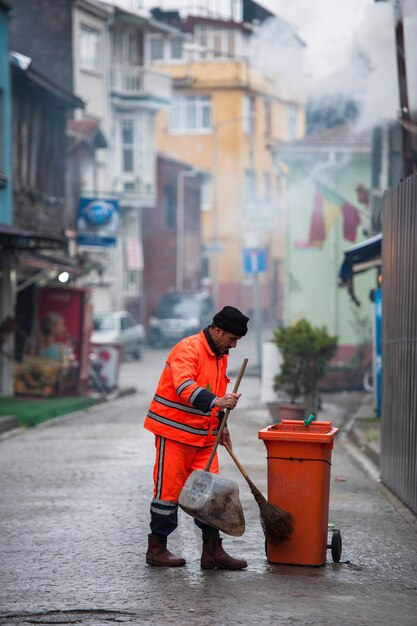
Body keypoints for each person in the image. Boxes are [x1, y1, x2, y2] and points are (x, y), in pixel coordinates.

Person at [144, 305, 250, 570]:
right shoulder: (188, 348)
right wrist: (217, 401)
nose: (234, 345)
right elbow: (184, 387)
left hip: (205, 438)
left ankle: (212, 552)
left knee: (211, 494)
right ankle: (157, 549)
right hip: (175, 434)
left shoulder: (220, 354)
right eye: (232, 338)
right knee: (167, 493)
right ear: (217, 330)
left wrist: (221, 426)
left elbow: (215, 393)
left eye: (237, 340)